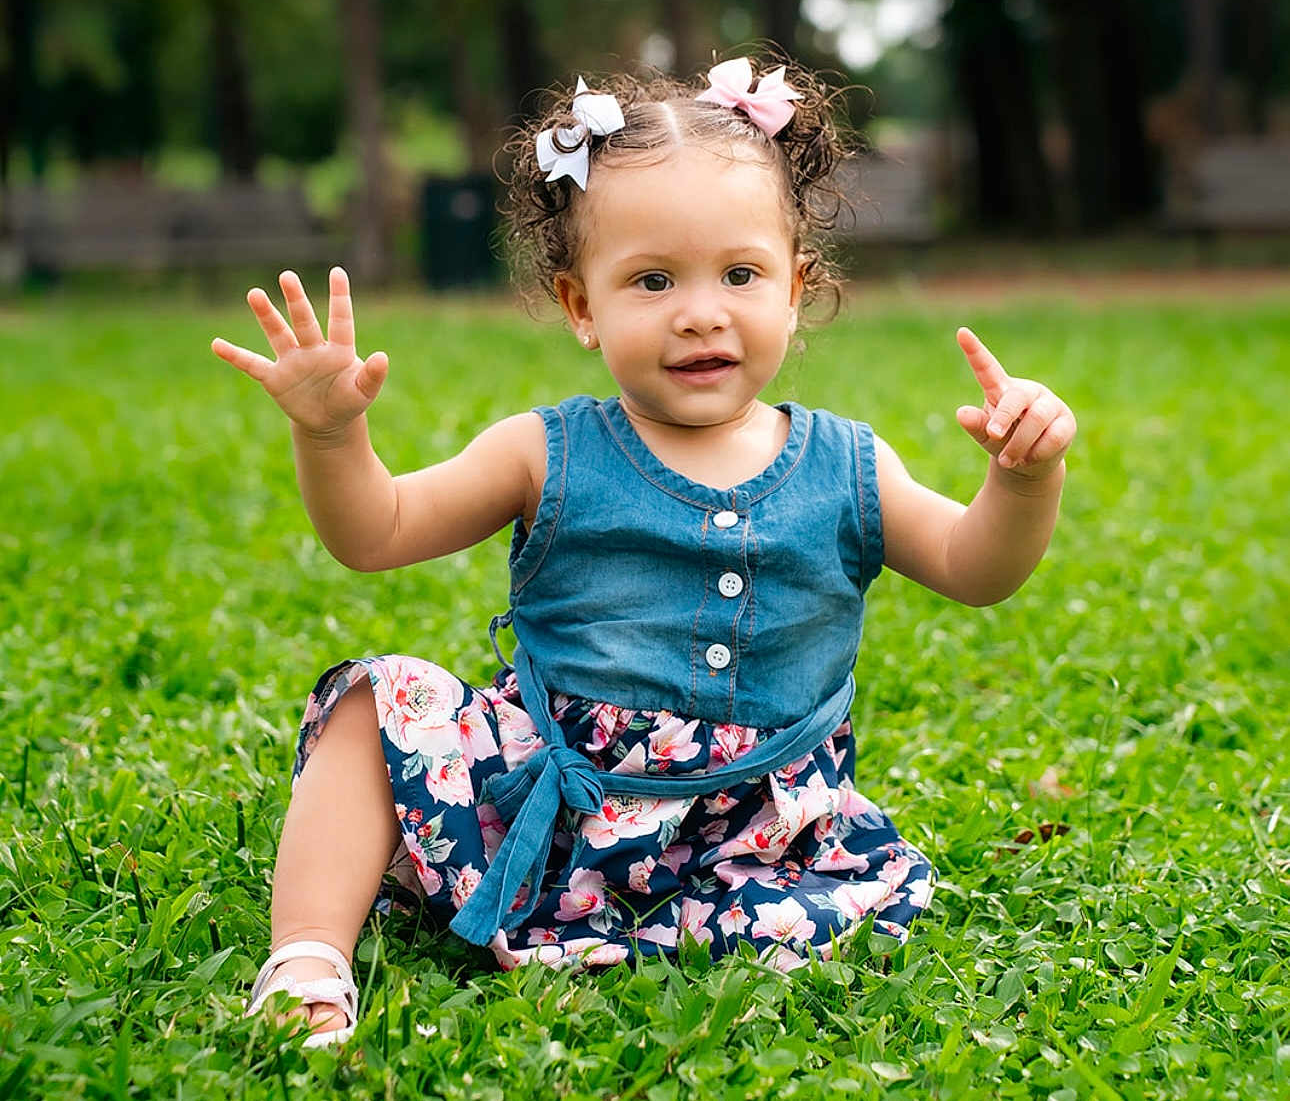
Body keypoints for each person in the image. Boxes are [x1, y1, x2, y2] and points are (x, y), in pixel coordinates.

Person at [214, 55, 1076, 1047]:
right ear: (583, 306)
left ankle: (652, 918)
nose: (700, 311)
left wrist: (1021, 479)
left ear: (797, 289)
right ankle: (308, 956)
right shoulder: (545, 452)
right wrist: (331, 437)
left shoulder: (849, 467)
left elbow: (979, 570)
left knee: (756, 900)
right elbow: (379, 534)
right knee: (375, 704)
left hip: (757, 840)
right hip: (556, 794)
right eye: (653, 279)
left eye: (740, 275)